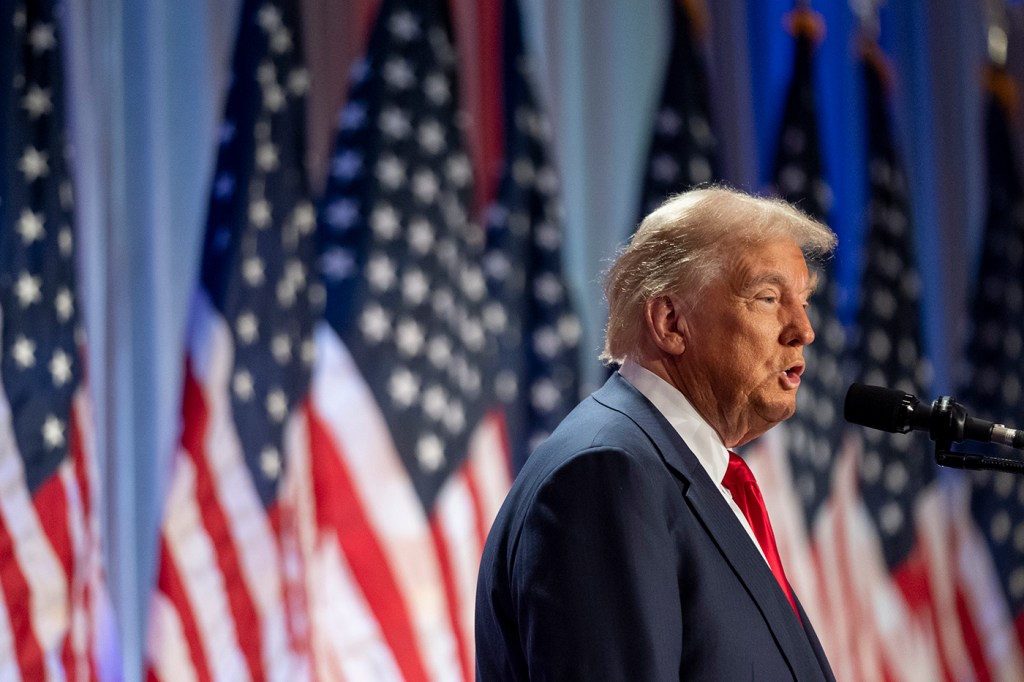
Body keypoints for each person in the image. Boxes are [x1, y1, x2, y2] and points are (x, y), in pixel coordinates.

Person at [475, 186, 837, 680]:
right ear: (670, 322)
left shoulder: (685, 475)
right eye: (769, 297)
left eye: (805, 301)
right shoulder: (605, 473)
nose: (803, 329)